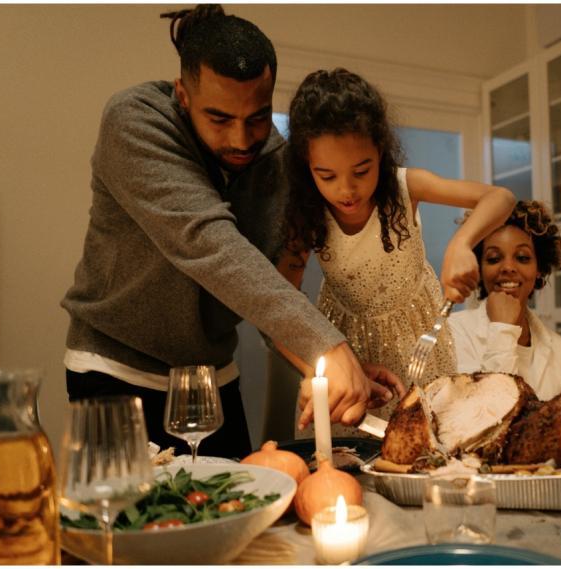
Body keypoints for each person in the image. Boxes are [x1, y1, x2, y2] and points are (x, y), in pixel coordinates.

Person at [60, 6, 391, 459]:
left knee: (239, 516)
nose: (240, 139)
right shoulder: (134, 121)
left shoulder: (276, 161)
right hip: (114, 369)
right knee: (128, 523)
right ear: (183, 94)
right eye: (219, 119)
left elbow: (267, 294)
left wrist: (333, 368)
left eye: (257, 118)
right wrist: (326, 345)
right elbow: (208, 243)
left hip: (212, 377)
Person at [284, 68, 516, 434]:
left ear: (381, 151)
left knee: (427, 447)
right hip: (344, 346)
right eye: (326, 176)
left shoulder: (407, 186)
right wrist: (317, 368)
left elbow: (500, 197)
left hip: (419, 341)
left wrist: (461, 242)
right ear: (306, 167)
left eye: (362, 171)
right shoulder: (306, 214)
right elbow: (281, 305)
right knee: (351, 457)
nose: (346, 190)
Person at [448, 200, 561, 400]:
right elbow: (484, 418)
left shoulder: (560, 349)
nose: (508, 267)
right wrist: (502, 328)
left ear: (539, 270)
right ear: (479, 269)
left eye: (522, 257)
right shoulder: (454, 334)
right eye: (493, 258)